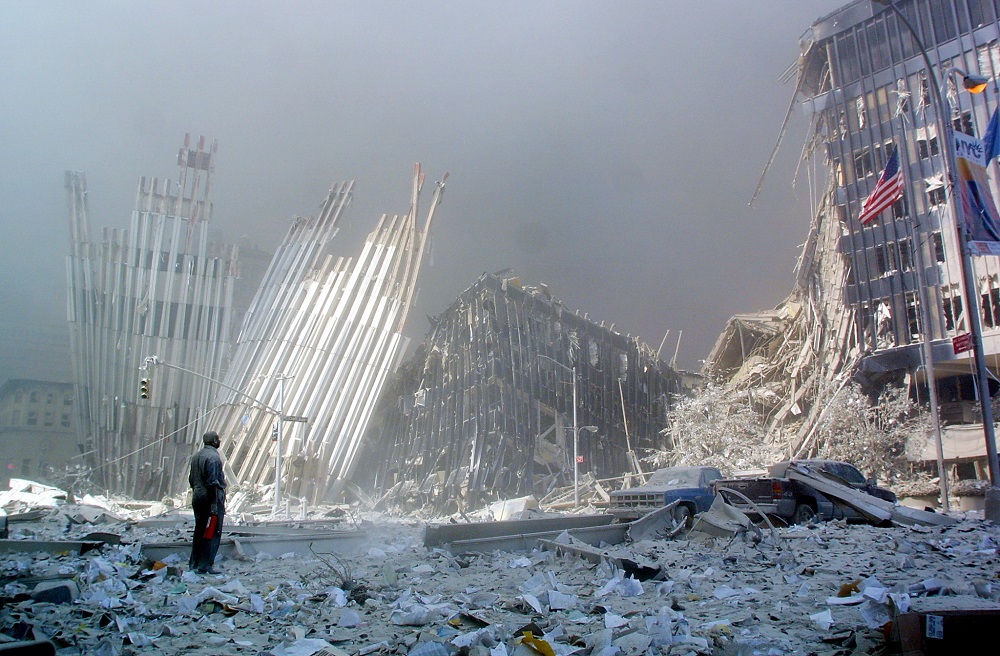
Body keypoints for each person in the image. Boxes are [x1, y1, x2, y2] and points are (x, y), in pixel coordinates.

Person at [189, 430, 226, 574]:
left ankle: (194, 563)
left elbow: (191, 479)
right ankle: (205, 565)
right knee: (212, 530)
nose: (219, 441)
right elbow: (213, 483)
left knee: (199, 530)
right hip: (210, 497)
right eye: (218, 439)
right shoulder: (214, 458)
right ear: (214, 442)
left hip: (197, 496)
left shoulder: (196, 456)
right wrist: (214, 504)